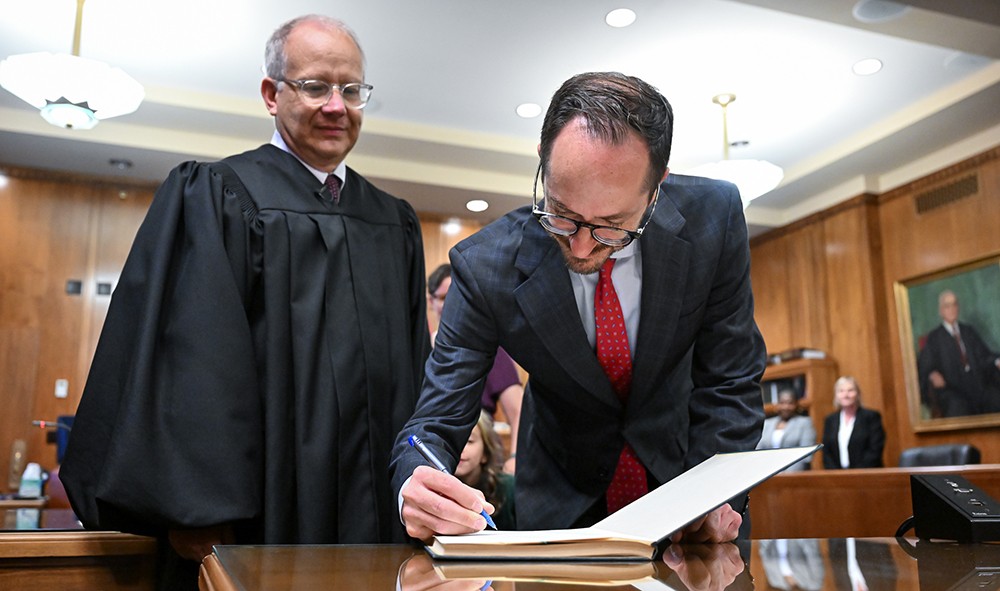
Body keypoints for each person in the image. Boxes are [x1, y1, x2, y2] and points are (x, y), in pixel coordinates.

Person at [60, 14, 430, 585]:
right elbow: (194, 364)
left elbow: (412, 367)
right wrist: (200, 509)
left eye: (351, 90)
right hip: (259, 510)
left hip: (372, 513)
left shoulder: (393, 221)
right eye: (315, 87)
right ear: (271, 94)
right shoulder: (218, 196)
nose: (337, 105)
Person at [390, 71, 766, 544]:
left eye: (612, 225)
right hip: (558, 500)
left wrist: (715, 496)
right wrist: (414, 481)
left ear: (656, 188)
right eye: (562, 214)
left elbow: (729, 381)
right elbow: (434, 420)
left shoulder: (715, 216)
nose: (584, 247)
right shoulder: (486, 265)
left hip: (693, 489)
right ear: (543, 163)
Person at [428, 263, 524, 472]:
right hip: (428, 458)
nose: (451, 303)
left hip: (480, 465)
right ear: (431, 301)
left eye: (457, 295)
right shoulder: (419, 349)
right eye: (444, 298)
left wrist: (515, 458)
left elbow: (518, 410)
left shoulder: (492, 351)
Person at [917, 289, 1000, 418]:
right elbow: (925, 365)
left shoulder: (968, 331)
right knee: (957, 407)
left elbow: (984, 355)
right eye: (947, 305)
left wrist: (997, 361)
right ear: (941, 311)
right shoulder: (934, 337)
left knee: (995, 398)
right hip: (952, 389)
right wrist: (932, 374)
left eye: (955, 304)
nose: (952, 309)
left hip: (976, 383)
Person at [454, 411, 516, 529]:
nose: (460, 449)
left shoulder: (509, 488)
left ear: (485, 453)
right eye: (452, 442)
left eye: (469, 441)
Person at [821, 376, 885, 469]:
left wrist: (855, 474)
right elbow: (826, 452)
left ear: (858, 394)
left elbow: (875, 450)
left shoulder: (871, 417)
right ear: (836, 395)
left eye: (850, 390)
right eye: (841, 391)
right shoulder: (830, 420)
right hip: (838, 478)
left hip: (867, 474)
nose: (845, 395)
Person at [756, 389, 816, 471]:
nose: (786, 407)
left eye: (790, 403)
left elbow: (806, 456)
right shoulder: (767, 423)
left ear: (796, 404)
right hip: (766, 472)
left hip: (794, 474)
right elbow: (759, 451)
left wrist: (785, 475)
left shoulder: (804, 423)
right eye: (782, 403)